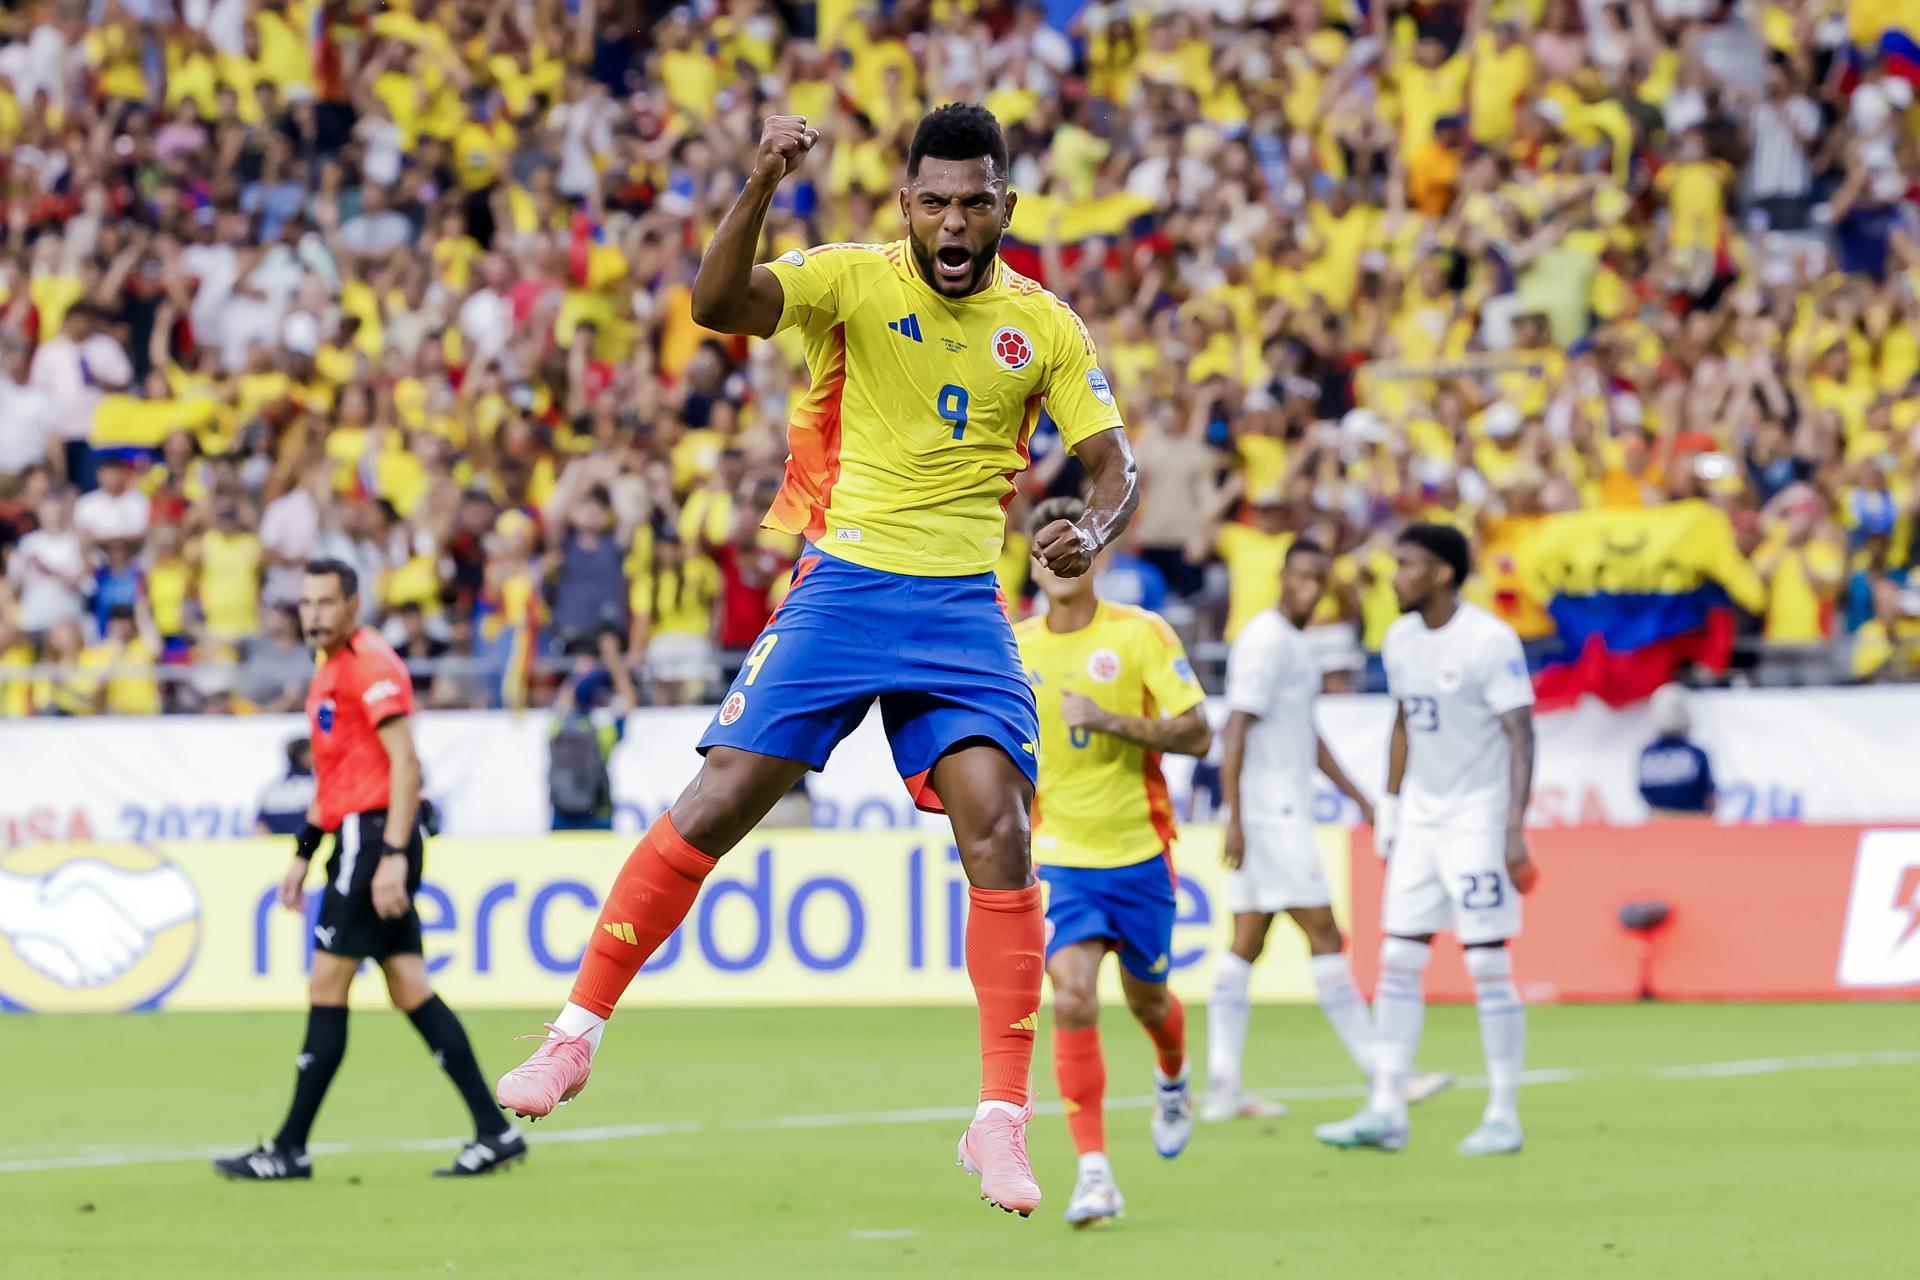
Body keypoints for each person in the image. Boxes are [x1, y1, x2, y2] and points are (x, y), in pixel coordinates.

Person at [494, 106, 1138, 1219]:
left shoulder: (1045, 325)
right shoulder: (850, 279)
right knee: (720, 797)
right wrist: (757, 183)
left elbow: (1111, 459)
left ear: (1005, 209)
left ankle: (998, 1116)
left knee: (1002, 823)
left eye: (974, 201)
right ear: (904, 203)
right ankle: (573, 1033)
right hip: (843, 584)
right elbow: (715, 304)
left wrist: (1095, 525)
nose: (952, 219)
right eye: (933, 199)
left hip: (959, 604)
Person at [214, 560, 525, 1181]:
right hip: (358, 837)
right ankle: (494, 1131)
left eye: (327, 602)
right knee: (409, 985)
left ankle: (289, 1149)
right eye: (306, 603)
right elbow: (333, 781)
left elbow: (404, 765)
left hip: (375, 839)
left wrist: (391, 854)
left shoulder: (372, 665)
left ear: (353, 605)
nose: (314, 614)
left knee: (326, 987)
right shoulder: (328, 672)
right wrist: (302, 856)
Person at [1014, 496, 1211, 1227]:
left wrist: (1109, 723)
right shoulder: (1014, 646)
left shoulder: (1141, 634)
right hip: (1060, 857)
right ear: (1033, 563)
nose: (1059, 560)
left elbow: (1197, 734)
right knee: (1069, 999)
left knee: (1150, 1002)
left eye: (1073, 545)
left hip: (1138, 853)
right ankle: (1094, 1172)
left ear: (1095, 555)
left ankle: (1171, 1072)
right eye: (1044, 548)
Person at [1205, 539, 1451, 1121]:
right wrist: (1234, 816)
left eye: (1320, 579)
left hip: (1276, 811)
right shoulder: (1266, 640)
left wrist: (1361, 797)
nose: (1310, 589)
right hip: (1272, 816)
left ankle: (1221, 1085)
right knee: (1324, 934)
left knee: (1247, 943)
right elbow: (1235, 728)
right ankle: (1383, 1074)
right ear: (1282, 577)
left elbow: (1305, 735)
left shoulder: (1295, 644)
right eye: (1301, 577)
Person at [1316, 524, 1537, 1157]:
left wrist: (1513, 827)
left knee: (1487, 962)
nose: (1394, 575)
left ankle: (1503, 1113)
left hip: (1477, 815)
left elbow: (1522, 734)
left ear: (1442, 573)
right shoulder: (1402, 638)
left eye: (1407, 564)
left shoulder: (1489, 641)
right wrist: (1389, 807)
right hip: (1419, 817)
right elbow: (1404, 722)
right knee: (1398, 960)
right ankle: (1387, 1108)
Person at [1637, 684, 1715, 816]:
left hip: (1659, 822)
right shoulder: (1695, 754)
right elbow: (1709, 795)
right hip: (1694, 822)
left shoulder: (1647, 754)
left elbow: (1645, 792)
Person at [256, 738, 318, 836]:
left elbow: (260, 825)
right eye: (312, 752)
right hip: (304, 847)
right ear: (301, 756)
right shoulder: (316, 786)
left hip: (277, 847)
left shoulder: (273, 787)